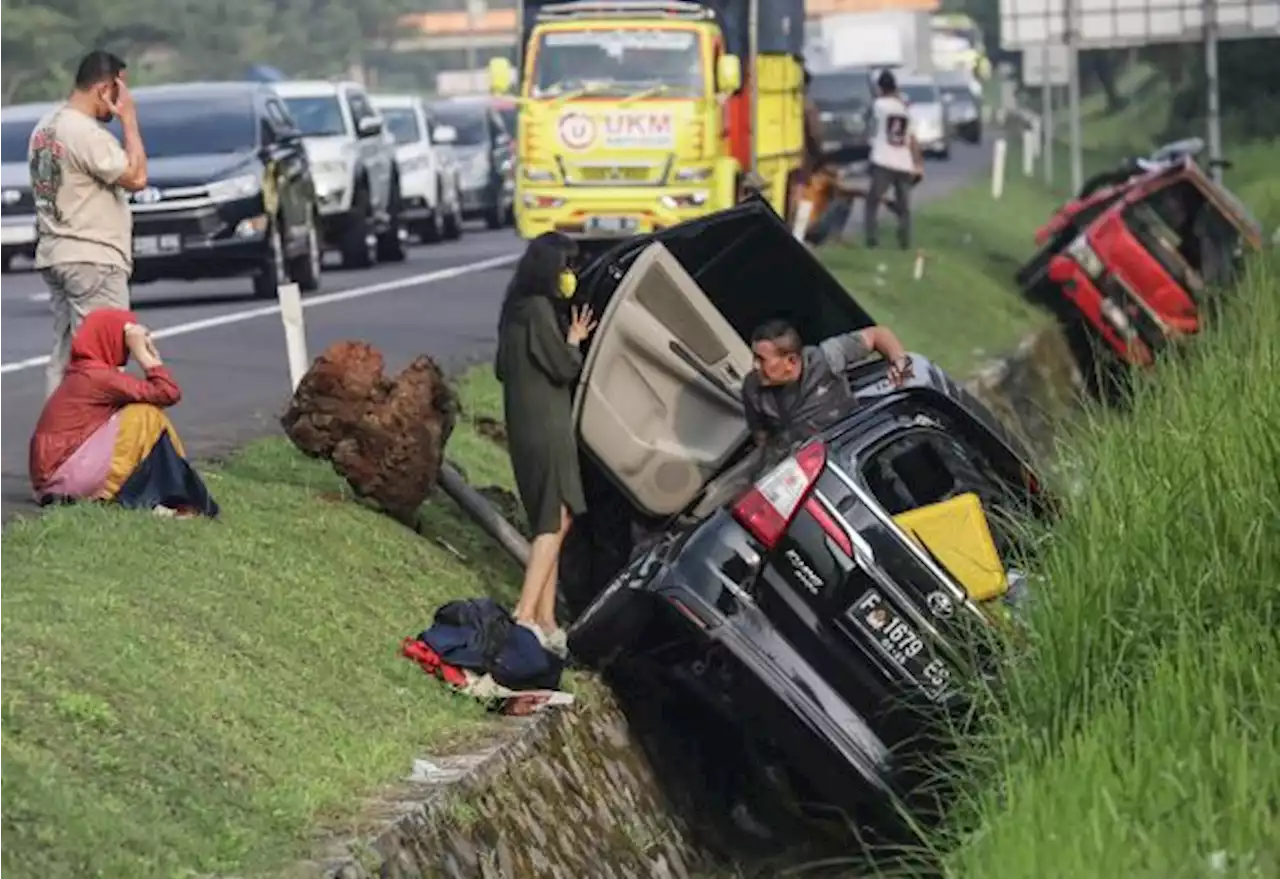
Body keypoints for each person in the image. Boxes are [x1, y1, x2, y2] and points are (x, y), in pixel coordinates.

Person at [494, 232, 597, 656]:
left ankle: (546, 617)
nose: (569, 276)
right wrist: (574, 339)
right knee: (555, 518)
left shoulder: (513, 310)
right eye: (566, 267)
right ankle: (524, 613)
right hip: (547, 422)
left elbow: (503, 369)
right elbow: (563, 366)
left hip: (525, 420)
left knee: (554, 516)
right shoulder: (538, 310)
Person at [29, 50, 149, 398]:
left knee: (67, 358)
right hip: (93, 258)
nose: (124, 99)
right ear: (103, 89)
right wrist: (129, 120)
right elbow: (137, 176)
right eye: (120, 91)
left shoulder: (45, 127)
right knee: (103, 360)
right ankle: (92, 442)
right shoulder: (85, 133)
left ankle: (58, 439)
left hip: (57, 251)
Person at [29, 308, 218, 518]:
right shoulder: (97, 376)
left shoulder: (85, 371)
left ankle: (168, 492)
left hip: (54, 478)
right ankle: (174, 493)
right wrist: (146, 356)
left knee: (136, 417)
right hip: (65, 478)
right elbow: (168, 393)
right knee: (145, 415)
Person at [742, 319, 912, 456]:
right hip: (795, 466)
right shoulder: (752, 387)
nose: (755, 366)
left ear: (791, 361)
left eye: (761, 359)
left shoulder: (828, 358)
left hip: (848, 450)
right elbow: (761, 438)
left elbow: (877, 335)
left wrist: (898, 360)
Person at [865, 69, 923, 250]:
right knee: (904, 207)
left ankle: (872, 240)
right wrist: (918, 163)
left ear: (880, 87)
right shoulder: (905, 108)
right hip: (904, 162)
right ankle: (904, 241)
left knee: (873, 202)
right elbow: (912, 139)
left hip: (883, 159)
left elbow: (870, 127)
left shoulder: (878, 105)